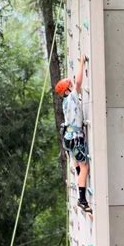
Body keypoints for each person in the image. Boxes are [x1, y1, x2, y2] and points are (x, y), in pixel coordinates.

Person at [55, 55, 91, 214]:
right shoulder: (71, 97)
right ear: (67, 90)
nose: (72, 86)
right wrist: (81, 63)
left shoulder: (64, 102)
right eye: (69, 85)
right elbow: (78, 82)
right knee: (85, 167)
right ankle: (82, 200)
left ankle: (80, 182)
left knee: (77, 164)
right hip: (75, 137)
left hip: (68, 137)